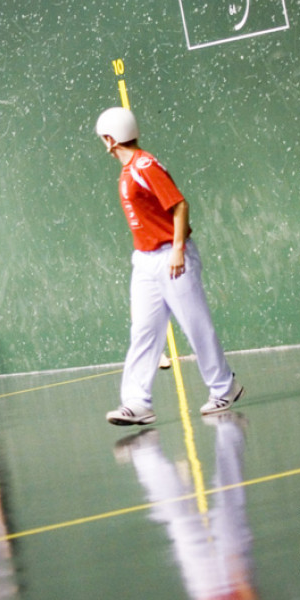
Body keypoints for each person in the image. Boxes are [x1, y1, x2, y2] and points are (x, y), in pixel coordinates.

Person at [94, 107, 244, 425]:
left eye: (103, 140)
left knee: (195, 325)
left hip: (172, 257)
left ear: (110, 140)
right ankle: (136, 402)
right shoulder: (128, 170)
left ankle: (224, 387)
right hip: (145, 261)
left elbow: (179, 205)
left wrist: (177, 250)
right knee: (144, 332)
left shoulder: (144, 166)